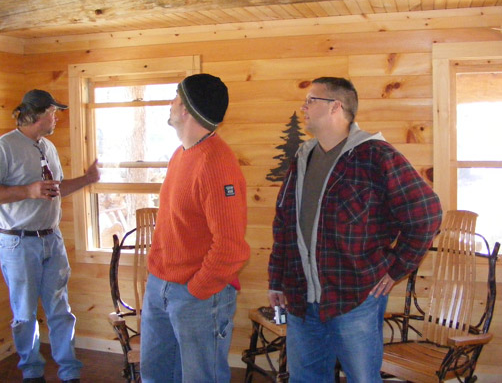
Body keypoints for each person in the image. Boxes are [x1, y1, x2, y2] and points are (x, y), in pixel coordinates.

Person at [268, 77, 443, 383]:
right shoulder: (303, 157)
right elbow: (284, 223)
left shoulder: (375, 155)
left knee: (362, 378)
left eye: (311, 100)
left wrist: (395, 269)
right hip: (300, 297)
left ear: (336, 106)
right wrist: (277, 280)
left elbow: (426, 213)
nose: (303, 107)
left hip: (355, 296)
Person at [0, 89, 100, 383]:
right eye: (54, 112)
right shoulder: (2, 147)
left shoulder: (48, 147)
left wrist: (88, 179)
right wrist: (27, 191)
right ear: (40, 114)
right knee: (25, 314)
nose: (57, 118)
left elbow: (54, 190)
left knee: (61, 310)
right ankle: (32, 373)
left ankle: (69, 373)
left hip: (51, 240)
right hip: (18, 243)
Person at [140, 73, 250, 383]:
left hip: (196, 294)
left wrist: (196, 290)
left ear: (186, 109)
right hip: (160, 286)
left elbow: (231, 247)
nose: (170, 104)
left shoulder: (216, 164)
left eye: (175, 97)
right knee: (155, 376)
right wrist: (158, 282)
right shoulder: (181, 154)